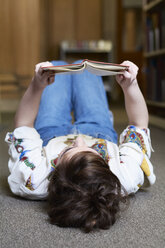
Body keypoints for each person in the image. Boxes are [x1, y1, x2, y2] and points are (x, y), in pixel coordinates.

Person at [5, 60, 156, 232]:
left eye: (67, 150)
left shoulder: (33, 179)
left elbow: (23, 124)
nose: (78, 140)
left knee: (55, 68)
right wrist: (131, 85)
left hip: (51, 135)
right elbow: (139, 124)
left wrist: (36, 86)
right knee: (84, 70)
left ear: (53, 175)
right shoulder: (125, 178)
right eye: (94, 152)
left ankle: (55, 69)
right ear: (107, 167)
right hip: (98, 132)